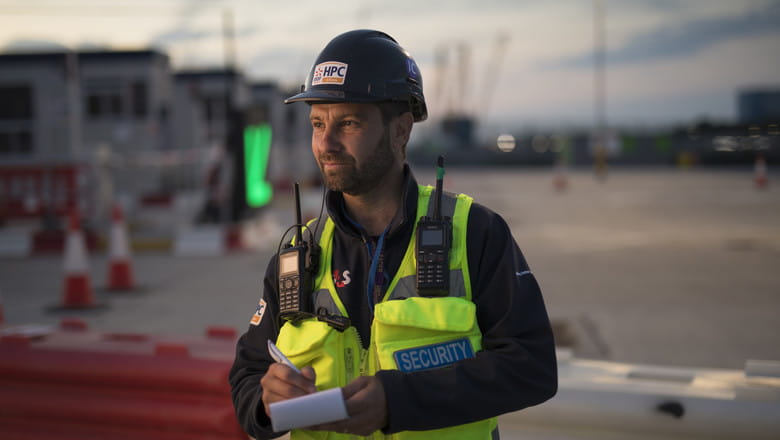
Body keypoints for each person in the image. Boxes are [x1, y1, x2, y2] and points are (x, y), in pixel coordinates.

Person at [229, 29, 557, 439]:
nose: (326, 143)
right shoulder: (297, 258)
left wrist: (399, 401)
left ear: (401, 130)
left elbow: (532, 366)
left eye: (348, 122)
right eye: (317, 123)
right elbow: (247, 375)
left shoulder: (475, 233)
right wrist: (265, 398)